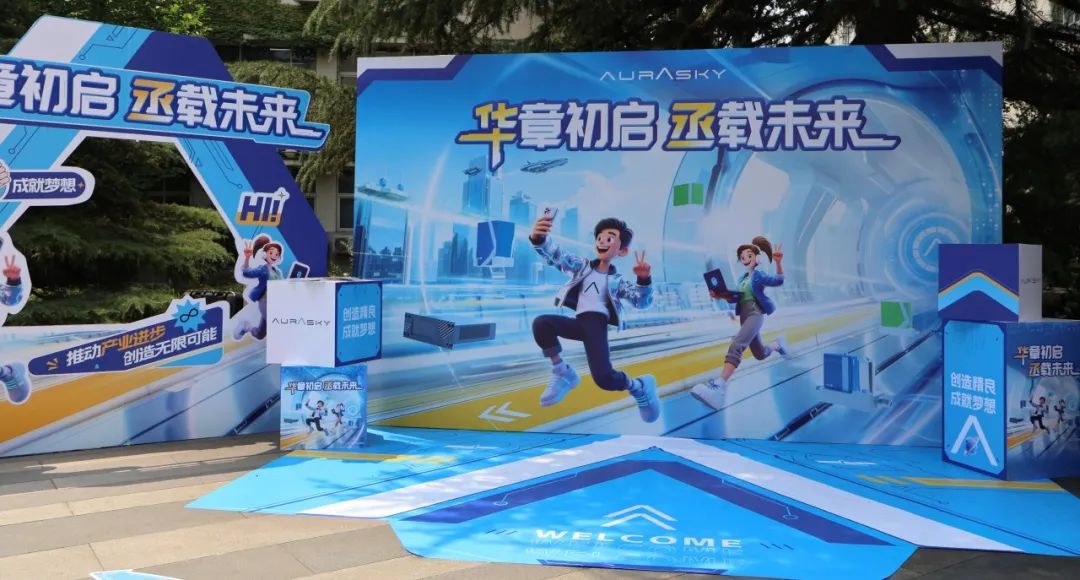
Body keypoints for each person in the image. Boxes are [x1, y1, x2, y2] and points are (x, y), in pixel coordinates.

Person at [529, 215, 661, 423]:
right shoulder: (581, 266)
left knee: (604, 379)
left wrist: (644, 280)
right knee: (542, 324)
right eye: (599, 238)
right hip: (580, 321)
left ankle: (639, 387)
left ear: (622, 251)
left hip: (596, 325)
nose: (602, 241)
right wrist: (540, 239)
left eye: (609, 238)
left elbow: (641, 302)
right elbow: (558, 256)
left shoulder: (617, 281)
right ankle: (562, 372)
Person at [691, 236, 790, 410]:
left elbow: (779, 280)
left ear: (757, 258)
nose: (745, 259)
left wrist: (778, 263)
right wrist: (720, 295)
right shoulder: (742, 279)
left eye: (749, 256)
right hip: (744, 316)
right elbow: (736, 299)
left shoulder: (759, 275)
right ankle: (777, 344)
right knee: (760, 354)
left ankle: (719, 387)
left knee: (737, 345)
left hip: (755, 314)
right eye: (742, 257)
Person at [234, 234, 284, 340]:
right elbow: (247, 273)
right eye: (271, 253)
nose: (274, 256)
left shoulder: (278, 272)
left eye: (277, 254)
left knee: (260, 334)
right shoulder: (262, 269)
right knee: (274, 320)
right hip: (265, 302)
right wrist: (247, 258)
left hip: (275, 302)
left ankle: (247, 327)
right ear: (264, 254)